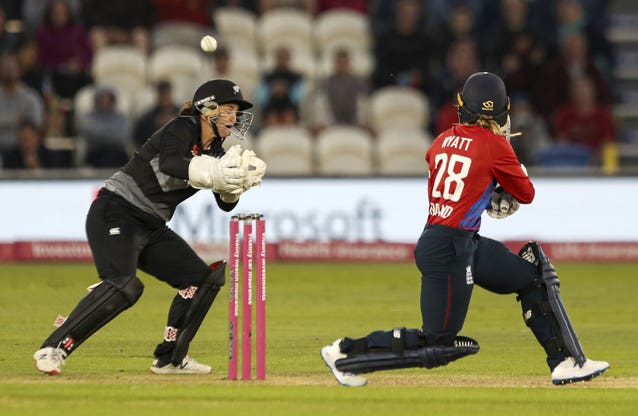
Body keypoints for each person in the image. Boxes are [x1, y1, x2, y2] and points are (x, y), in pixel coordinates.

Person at [320, 71, 609, 387]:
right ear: (502, 109)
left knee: (532, 276)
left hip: (458, 239)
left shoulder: (441, 140)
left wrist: (487, 193)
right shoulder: (496, 145)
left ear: (462, 106)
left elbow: (457, 179)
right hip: (449, 249)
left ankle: (565, 362)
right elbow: (526, 194)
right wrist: (507, 180)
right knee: (438, 341)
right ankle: (345, 353)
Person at [33, 78, 266, 375]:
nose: (234, 118)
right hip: (116, 210)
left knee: (202, 280)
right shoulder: (181, 128)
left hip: (151, 225)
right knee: (125, 286)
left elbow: (225, 205)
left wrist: (234, 186)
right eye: (228, 109)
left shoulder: (217, 151)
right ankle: (53, 347)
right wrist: (216, 172)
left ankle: (170, 358)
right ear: (207, 109)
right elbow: (171, 163)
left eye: (236, 111)